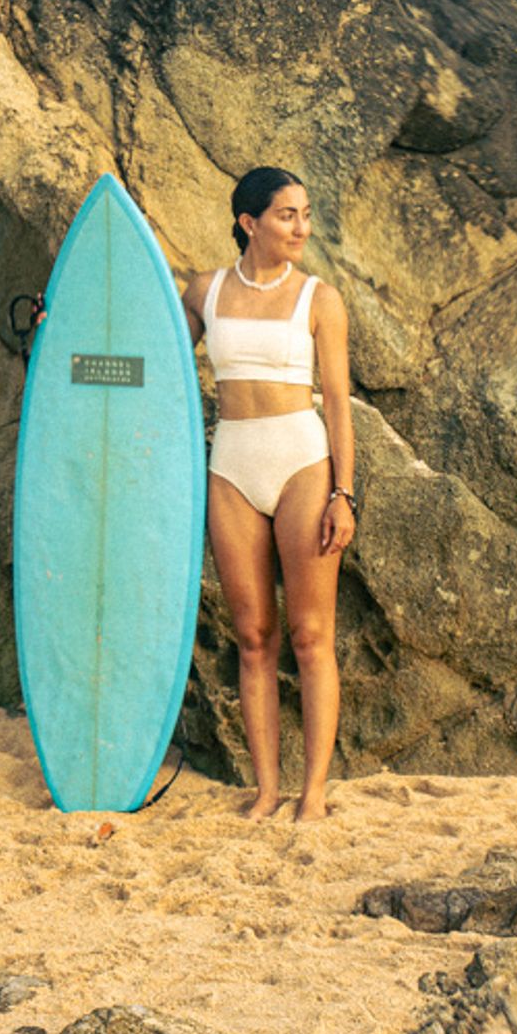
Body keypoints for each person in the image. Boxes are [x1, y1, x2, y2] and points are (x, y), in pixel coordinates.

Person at [182, 167, 357, 823]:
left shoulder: (320, 298)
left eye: (305, 214)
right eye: (287, 215)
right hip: (232, 463)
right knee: (254, 638)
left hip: (302, 462)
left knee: (312, 635)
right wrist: (62, 328)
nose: (302, 228)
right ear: (249, 222)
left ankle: (311, 793)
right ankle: (266, 789)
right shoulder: (207, 291)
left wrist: (344, 493)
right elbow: (145, 354)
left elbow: (337, 404)